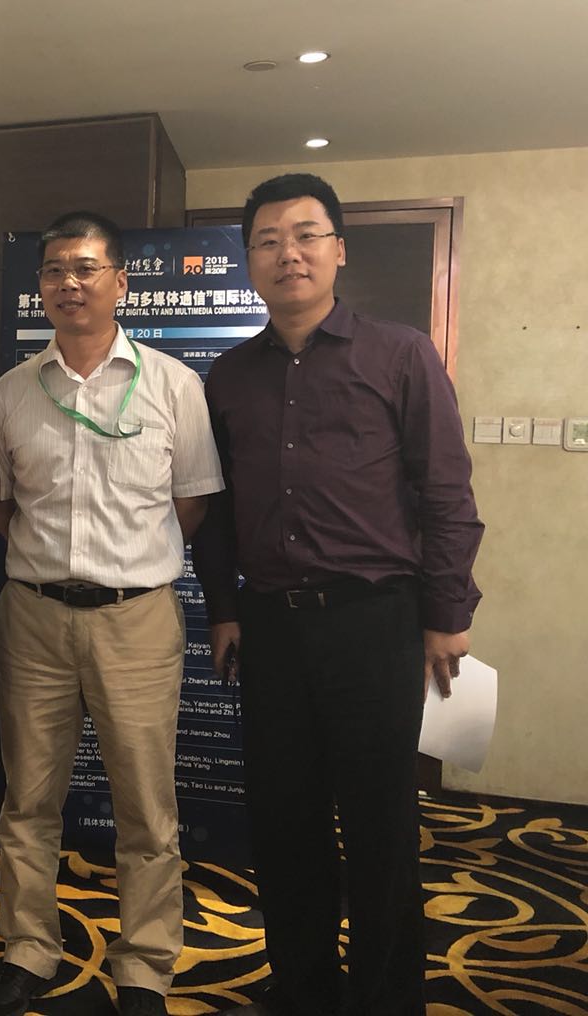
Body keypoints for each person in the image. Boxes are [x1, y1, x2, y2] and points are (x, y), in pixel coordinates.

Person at [191, 173, 484, 1016]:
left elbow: (445, 491)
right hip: (271, 628)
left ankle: (388, 1000)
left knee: (380, 825)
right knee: (284, 823)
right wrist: (225, 609)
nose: (288, 253)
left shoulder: (401, 354)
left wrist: (446, 615)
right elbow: (216, 509)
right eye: (268, 240)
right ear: (249, 260)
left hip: (375, 622)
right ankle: (303, 990)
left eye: (307, 234)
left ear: (339, 250)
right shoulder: (228, 376)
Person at [0, 211, 223, 1016]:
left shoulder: (173, 385)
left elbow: (190, 504)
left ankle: (145, 963)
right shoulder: (13, 391)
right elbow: (4, 506)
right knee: (28, 798)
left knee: (146, 804)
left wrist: (125, 564)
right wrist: (54, 564)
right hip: (33, 617)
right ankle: (28, 949)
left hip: (136, 619)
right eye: (54, 270)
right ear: (40, 286)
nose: (68, 283)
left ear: (120, 282)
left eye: (85, 268)